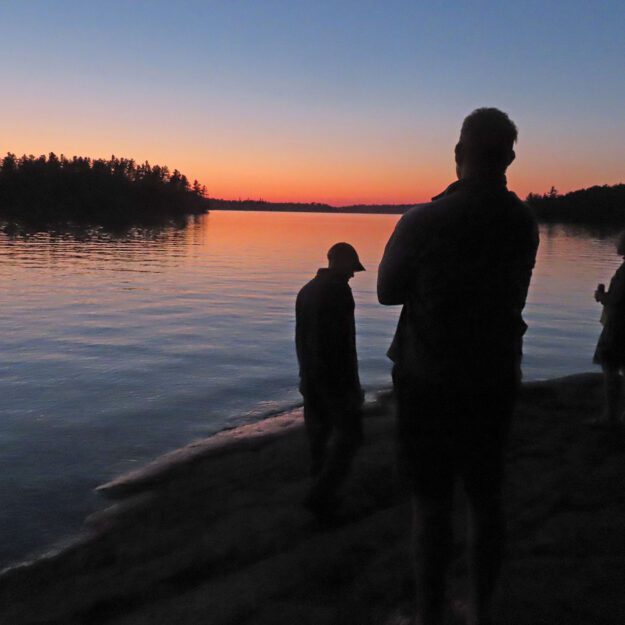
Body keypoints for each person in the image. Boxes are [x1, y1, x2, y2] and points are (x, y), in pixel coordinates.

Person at [378, 108, 539, 625]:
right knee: (486, 498)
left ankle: (430, 615)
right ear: (510, 156)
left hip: (429, 378)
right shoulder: (522, 222)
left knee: (431, 502)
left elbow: (385, 292)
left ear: (457, 154)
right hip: (495, 377)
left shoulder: (425, 220)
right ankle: (482, 610)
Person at [295, 242, 366, 517]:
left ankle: (320, 495)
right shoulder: (338, 291)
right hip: (333, 377)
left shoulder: (307, 289)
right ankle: (321, 495)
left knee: (319, 436)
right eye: (352, 269)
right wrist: (353, 384)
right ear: (342, 263)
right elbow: (345, 342)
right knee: (351, 435)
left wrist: (304, 374)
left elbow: (301, 338)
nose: (353, 275)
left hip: (310, 374)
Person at [591, 231, 625, 428]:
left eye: (620, 240)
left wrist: (601, 297)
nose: (617, 243)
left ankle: (610, 416)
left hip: (618, 326)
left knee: (610, 367)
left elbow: (617, 300)